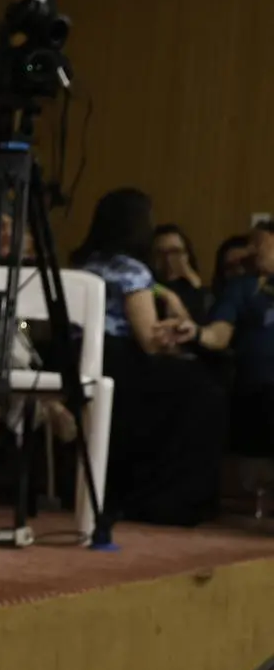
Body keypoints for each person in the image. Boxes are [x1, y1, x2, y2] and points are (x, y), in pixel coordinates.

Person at [72, 188, 224, 525]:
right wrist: (175, 324)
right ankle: (169, 501)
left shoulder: (84, 265)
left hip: (77, 359)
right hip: (118, 362)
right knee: (205, 392)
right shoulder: (132, 271)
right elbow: (149, 340)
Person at [198, 219, 274, 455]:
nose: (251, 251)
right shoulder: (242, 287)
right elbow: (220, 332)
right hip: (259, 392)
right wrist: (198, 333)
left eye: (258, 243)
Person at [151, 223, 210, 323]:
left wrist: (194, 282)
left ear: (187, 254)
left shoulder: (195, 286)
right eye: (161, 253)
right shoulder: (147, 284)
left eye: (175, 251)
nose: (168, 258)